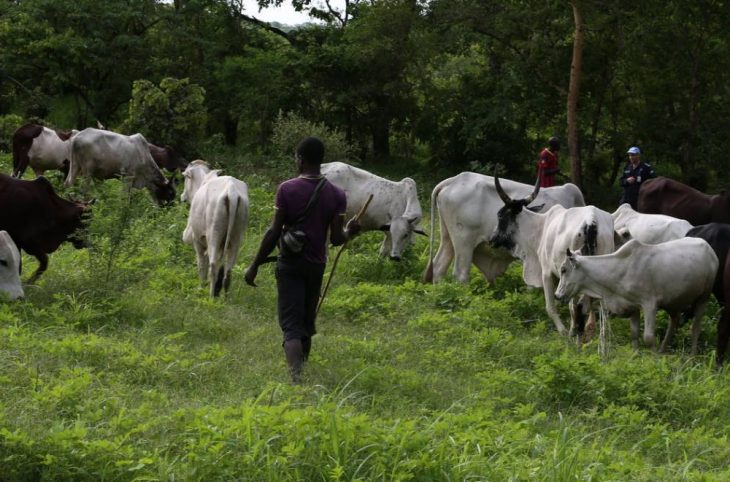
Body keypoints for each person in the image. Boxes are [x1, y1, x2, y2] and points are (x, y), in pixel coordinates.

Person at [244, 137, 360, 383]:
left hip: (290, 264)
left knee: (291, 326)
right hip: (316, 265)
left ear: (301, 159)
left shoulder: (287, 189)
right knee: (307, 320)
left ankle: (296, 379)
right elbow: (338, 239)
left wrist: (254, 265)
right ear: (321, 161)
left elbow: (273, 232)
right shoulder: (337, 195)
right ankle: (302, 369)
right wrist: (352, 231)